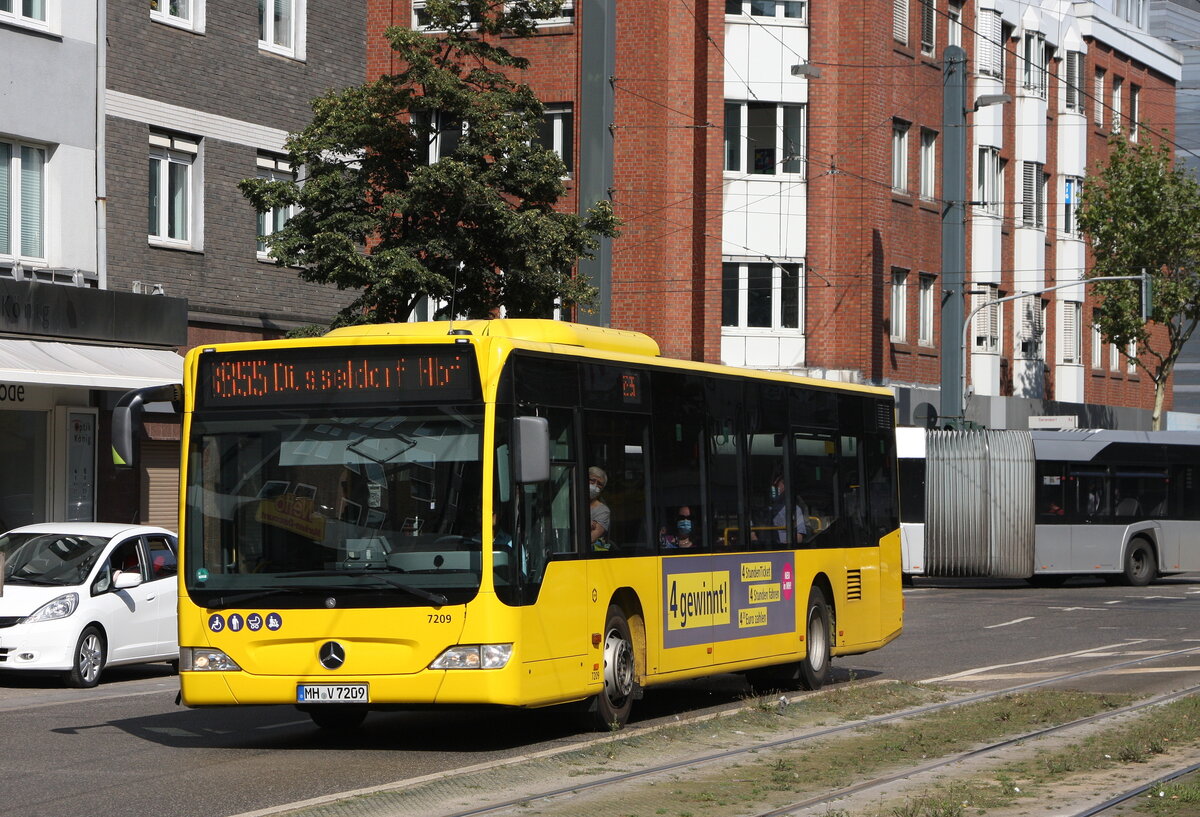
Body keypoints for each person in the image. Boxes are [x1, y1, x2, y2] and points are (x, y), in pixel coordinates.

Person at [767, 471, 808, 544]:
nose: (774, 488)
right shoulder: (766, 509)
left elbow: (799, 536)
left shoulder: (794, 509)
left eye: (777, 485)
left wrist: (784, 546)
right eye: (774, 486)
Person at [588, 466, 612, 550]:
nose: (595, 486)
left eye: (599, 484)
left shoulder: (603, 511)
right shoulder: (572, 501)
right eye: (592, 480)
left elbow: (591, 538)